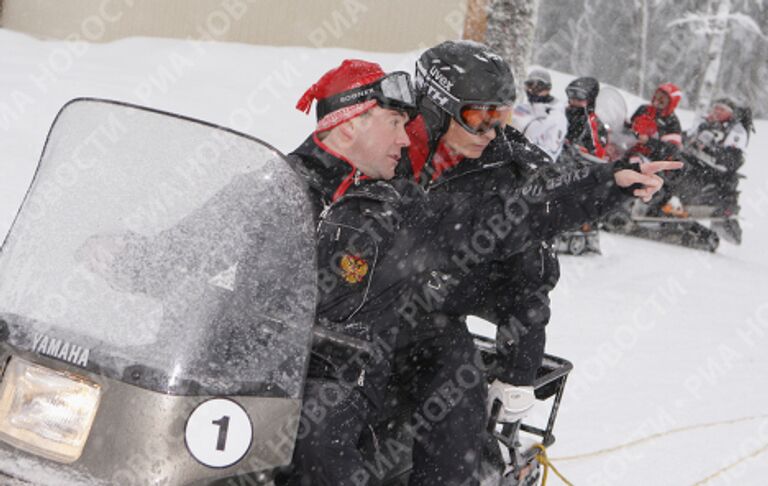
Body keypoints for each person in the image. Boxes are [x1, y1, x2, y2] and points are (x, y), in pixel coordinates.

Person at [396, 40, 682, 485]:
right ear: (434, 105)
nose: (493, 131)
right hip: (362, 303)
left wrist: (518, 372)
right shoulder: (387, 134)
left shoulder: (506, 161)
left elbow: (544, 222)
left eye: (502, 116)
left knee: (453, 396)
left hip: (437, 311)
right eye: (478, 117)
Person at [511, 68, 568, 161]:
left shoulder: (556, 115)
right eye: (529, 85)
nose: (532, 90)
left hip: (533, 165)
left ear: (548, 89)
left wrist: (520, 150)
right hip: (512, 156)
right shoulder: (522, 108)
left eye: (538, 87)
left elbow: (551, 152)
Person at [563, 76, 608, 160]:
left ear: (590, 99)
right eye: (571, 94)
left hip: (578, 165)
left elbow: (597, 153)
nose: (574, 100)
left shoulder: (592, 121)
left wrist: (576, 148)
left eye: (580, 96)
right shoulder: (561, 112)